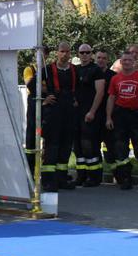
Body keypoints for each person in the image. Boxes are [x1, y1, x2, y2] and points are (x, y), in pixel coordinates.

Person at [106, 50, 138, 190]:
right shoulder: (115, 79)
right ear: (120, 62)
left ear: (134, 62)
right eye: (124, 60)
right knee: (121, 148)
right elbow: (111, 98)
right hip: (119, 115)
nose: (126, 62)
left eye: (129, 60)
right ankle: (125, 179)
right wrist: (108, 117)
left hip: (135, 114)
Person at [38, 42, 78, 191]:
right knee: (52, 147)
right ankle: (48, 181)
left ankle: (62, 179)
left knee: (66, 147)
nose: (65, 54)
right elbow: (31, 85)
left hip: (69, 113)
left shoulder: (74, 70)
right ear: (57, 53)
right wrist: (44, 98)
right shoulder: (48, 70)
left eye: (67, 52)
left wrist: (76, 100)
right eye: (62, 51)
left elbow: (79, 89)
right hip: (53, 113)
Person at [72, 44, 105, 186]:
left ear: (91, 54)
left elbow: (100, 92)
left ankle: (95, 176)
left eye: (87, 52)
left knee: (89, 146)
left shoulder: (96, 70)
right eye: (82, 52)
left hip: (90, 113)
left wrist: (92, 111)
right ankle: (81, 175)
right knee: (78, 146)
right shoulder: (75, 69)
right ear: (78, 54)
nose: (84, 55)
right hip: (76, 114)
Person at [24, 45, 49, 170]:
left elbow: (51, 88)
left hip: (47, 106)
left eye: (42, 54)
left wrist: (43, 88)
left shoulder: (49, 70)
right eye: (37, 54)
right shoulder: (29, 69)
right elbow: (30, 86)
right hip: (33, 107)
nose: (39, 57)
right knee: (31, 139)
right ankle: (30, 170)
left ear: (46, 56)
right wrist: (43, 87)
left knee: (48, 138)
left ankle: (45, 172)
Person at [95, 50, 118, 171]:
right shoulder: (91, 72)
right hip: (94, 114)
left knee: (111, 146)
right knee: (93, 146)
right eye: (99, 57)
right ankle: (95, 175)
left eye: (104, 58)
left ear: (108, 60)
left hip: (109, 115)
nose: (101, 60)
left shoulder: (113, 76)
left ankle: (118, 174)